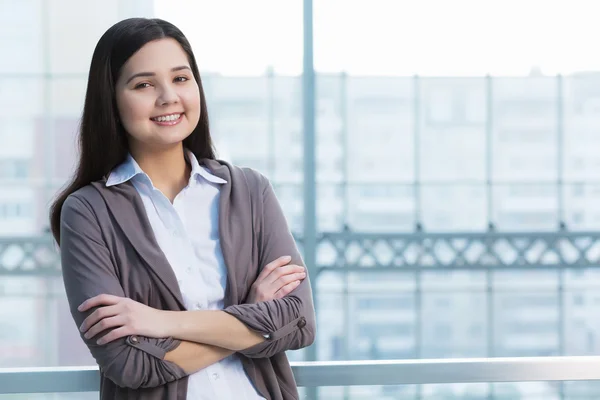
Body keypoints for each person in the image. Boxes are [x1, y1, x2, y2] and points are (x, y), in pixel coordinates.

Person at [48, 17, 316, 400]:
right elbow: (129, 364)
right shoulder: (88, 212)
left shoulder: (249, 191)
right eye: (144, 84)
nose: (168, 97)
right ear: (111, 98)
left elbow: (298, 322)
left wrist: (160, 322)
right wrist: (253, 318)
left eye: (180, 79)